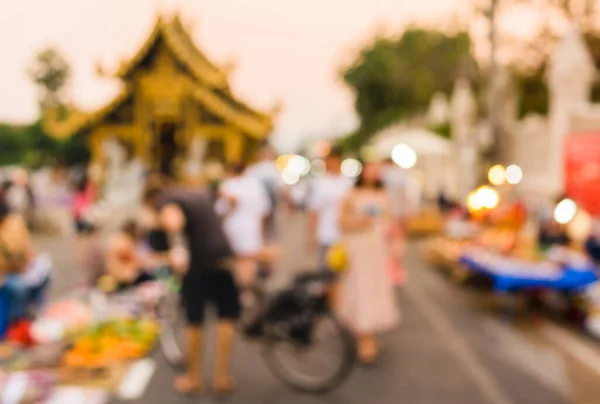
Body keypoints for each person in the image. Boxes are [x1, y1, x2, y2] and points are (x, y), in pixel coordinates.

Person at [143, 181, 239, 396]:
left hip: (199, 263)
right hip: (223, 255)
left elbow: (174, 221)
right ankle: (221, 378)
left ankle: (194, 378)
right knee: (226, 317)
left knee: (194, 320)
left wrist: (177, 248)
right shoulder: (199, 192)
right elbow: (230, 199)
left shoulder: (167, 201)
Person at [337, 161, 400, 364]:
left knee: (375, 288)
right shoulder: (351, 195)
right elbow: (341, 222)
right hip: (358, 247)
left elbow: (391, 222)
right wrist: (360, 222)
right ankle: (364, 335)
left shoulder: (384, 196)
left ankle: (368, 330)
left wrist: (395, 246)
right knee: (361, 288)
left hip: (378, 249)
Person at [217, 163, 272, 293]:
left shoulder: (227, 185)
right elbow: (264, 211)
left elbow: (220, 210)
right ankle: (246, 291)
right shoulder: (255, 185)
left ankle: (239, 291)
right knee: (249, 261)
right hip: (251, 230)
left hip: (233, 230)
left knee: (237, 262)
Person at [0, 198, 49, 327]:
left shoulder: (14, 225)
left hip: (18, 271)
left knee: (45, 277)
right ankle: (17, 321)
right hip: (6, 275)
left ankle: (33, 312)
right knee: (19, 287)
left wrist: (31, 262)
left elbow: (26, 250)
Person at [307, 148, 353, 269]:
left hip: (345, 235)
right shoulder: (321, 183)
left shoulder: (348, 182)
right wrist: (311, 235)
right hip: (326, 234)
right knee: (326, 272)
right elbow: (314, 211)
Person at [246, 143, 284, 241]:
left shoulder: (254, 169)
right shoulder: (273, 168)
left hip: (261, 200)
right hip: (263, 200)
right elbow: (282, 186)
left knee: (261, 221)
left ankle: (263, 239)